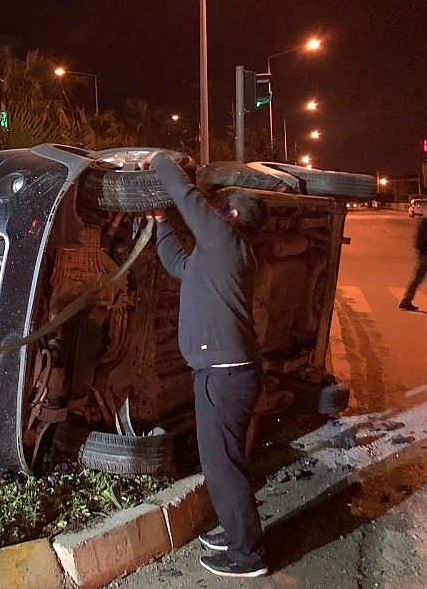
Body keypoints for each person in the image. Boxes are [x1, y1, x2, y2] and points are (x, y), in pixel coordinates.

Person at [142, 150, 269, 579]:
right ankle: (236, 534)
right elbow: (179, 265)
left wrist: (159, 159)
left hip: (225, 375)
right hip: (223, 373)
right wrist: (161, 224)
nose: (212, 211)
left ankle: (248, 556)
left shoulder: (225, 241)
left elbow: (185, 193)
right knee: (223, 462)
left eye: (219, 208)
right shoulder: (220, 253)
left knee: (223, 467)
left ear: (231, 215)